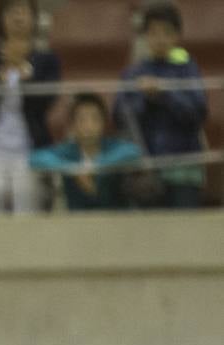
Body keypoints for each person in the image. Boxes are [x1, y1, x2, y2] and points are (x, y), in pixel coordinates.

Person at [0, 0, 60, 215]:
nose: (18, 16)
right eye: (11, 11)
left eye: (23, 11)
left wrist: (24, 71)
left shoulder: (47, 61)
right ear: (0, 19)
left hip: (30, 150)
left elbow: (46, 103)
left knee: (26, 193)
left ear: (34, 19)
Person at [116, 2, 208, 209]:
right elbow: (120, 116)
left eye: (167, 33)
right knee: (147, 238)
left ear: (177, 36)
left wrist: (165, 93)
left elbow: (198, 112)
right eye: (154, 32)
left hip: (183, 170)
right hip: (145, 172)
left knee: (184, 235)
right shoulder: (132, 74)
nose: (160, 39)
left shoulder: (188, 70)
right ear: (145, 36)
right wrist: (145, 98)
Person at [29, 93, 144, 211]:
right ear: (72, 125)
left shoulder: (112, 146)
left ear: (104, 123)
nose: (89, 125)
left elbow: (133, 152)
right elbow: (35, 159)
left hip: (115, 218)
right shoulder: (68, 150)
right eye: (82, 119)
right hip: (77, 221)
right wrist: (73, 169)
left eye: (95, 119)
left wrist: (95, 167)